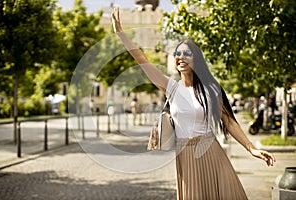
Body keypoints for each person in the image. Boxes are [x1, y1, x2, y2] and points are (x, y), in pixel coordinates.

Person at [111, 7, 275, 200]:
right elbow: (141, 59)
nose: (180, 57)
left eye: (186, 53)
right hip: (185, 157)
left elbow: (229, 121)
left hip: (211, 152)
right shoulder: (171, 88)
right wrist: (121, 33)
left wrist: (251, 148)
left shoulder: (211, 89)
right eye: (177, 53)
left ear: (196, 58)